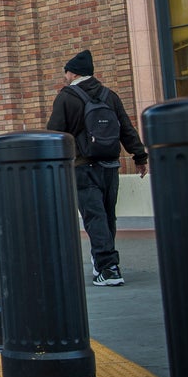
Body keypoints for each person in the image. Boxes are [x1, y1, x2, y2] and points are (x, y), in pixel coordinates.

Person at [47, 49, 148, 287]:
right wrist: (140, 157)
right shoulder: (109, 95)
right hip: (111, 166)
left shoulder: (66, 97)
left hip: (83, 167)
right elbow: (126, 128)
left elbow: (54, 135)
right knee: (107, 215)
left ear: (72, 73)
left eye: (66, 73)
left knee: (94, 217)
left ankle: (108, 268)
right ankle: (105, 263)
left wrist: (52, 167)